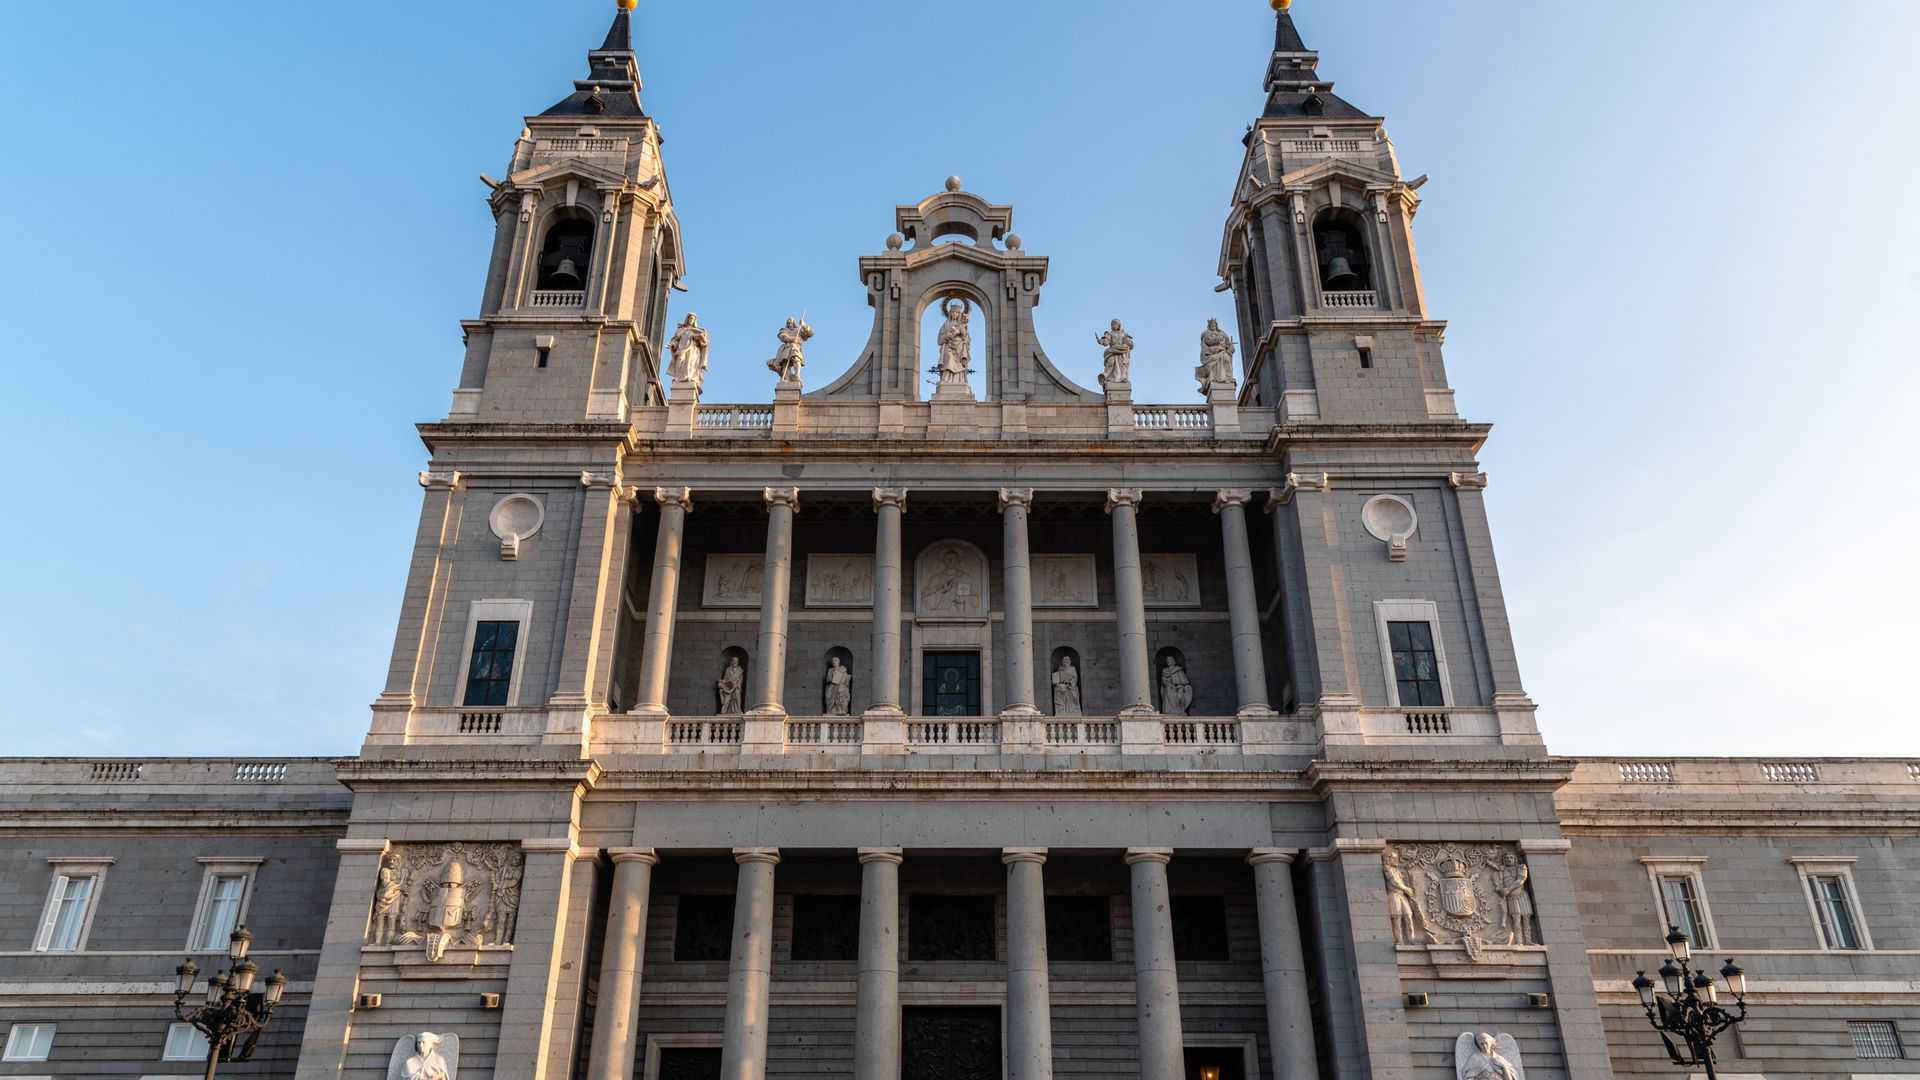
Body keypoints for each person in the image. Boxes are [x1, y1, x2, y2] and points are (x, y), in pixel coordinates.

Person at [1384, 850, 1422, 945]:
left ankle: (1411, 939)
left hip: (1402, 895)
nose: (1396, 860)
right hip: (1394, 895)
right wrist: (1406, 888)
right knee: (1397, 918)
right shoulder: (1387, 869)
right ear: (1388, 860)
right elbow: (1394, 882)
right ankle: (1400, 941)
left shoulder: (1397, 870)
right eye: (1394, 859)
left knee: (1408, 915)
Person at [1496, 853, 1535, 945]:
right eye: (1506, 858)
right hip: (1511, 898)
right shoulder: (1502, 870)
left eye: (1511, 857)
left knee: (1526, 918)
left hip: (1522, 896)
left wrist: (1508, 889)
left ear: (1515, 859)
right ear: (1504, 861)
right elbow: (1498, 882)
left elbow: (1520, 880)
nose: (1509, 859)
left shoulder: (1521, 867)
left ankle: (1528, 941)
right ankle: (1519, 942)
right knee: (1516, 919)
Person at [665, 313, 711, 391]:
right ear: (687, 319)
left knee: (691, 364)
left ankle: (689, 377)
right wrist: (672, 344)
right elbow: (676, 341)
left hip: (693, 350)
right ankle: (678, 378)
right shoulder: (681, 330)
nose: (691, 320)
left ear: (694, 321)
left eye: (693, 319)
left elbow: (704, 343)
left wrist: (700, 338)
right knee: (680, 360)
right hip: (682, 350)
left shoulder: (698, 331)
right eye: (690, 318)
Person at [370, 852, 405, 946]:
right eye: (390, 860)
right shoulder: (385, 870)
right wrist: (397, 885)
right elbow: (385, 883)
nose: (392, 862)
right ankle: (377, 942)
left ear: (399, 862)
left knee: (391, 921)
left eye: (394, 860)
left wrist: (398, 887)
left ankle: (388, 943)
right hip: (383, 898)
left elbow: (404, 886)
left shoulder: (403, 872)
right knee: (380, 921)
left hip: (395, 898)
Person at [934, 298, 971, 383]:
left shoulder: (962, 323)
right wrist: (949, 336)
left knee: (959, 363)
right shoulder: (946, 324)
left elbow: (966, 335)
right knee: (949, 359)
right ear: (950, 313)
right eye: (953, 312)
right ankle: (946, 379)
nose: (955, 314)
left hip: (960, 346)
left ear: (960, 313)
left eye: (957, 312)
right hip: (948, 345)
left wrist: (960, 330)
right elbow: (940, 339)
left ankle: (960, 381)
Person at [767, 316, 813, 384]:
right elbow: (782, 336)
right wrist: (791, 339)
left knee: (796, 358)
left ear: (794, 323)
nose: (790, 324)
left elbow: (810, 333)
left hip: (796, 347)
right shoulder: (784, 330)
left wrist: (803, 325)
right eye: (789, 323)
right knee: (785, 363)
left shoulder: (799, 331)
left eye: (791, 323)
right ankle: (786, 377)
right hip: (787, 347)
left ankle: (797, 374)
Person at [1196, 317, 1236, 389]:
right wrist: (1218, 339)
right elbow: (1208, 342)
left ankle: (1227, 378)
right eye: (1211, 324)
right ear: (1209, 326)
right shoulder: (1206, 334)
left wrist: (1229, 347)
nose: (1213, 325)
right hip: (1212, 353)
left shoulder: (1222, 333)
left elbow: (1226, 342)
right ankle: (1215, 379)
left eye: (1214, 324)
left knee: (1226, 359)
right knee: (1214, 364)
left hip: (1223, 351)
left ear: (1216, 325)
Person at [1095, 318, 1134, 387]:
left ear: (1119, 325)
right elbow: (1106, 341)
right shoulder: (1110, 333)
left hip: (1122, 352)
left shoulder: (1123, 334)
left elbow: (1129, 343)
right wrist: (1101, 341)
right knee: (1111, 362)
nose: (1114, 325)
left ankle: (1122, 378)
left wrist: (1128, 342)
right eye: (1112, 324)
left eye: (1115, 324)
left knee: (1122, 364)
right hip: (1112, 352)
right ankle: (1109, 377)